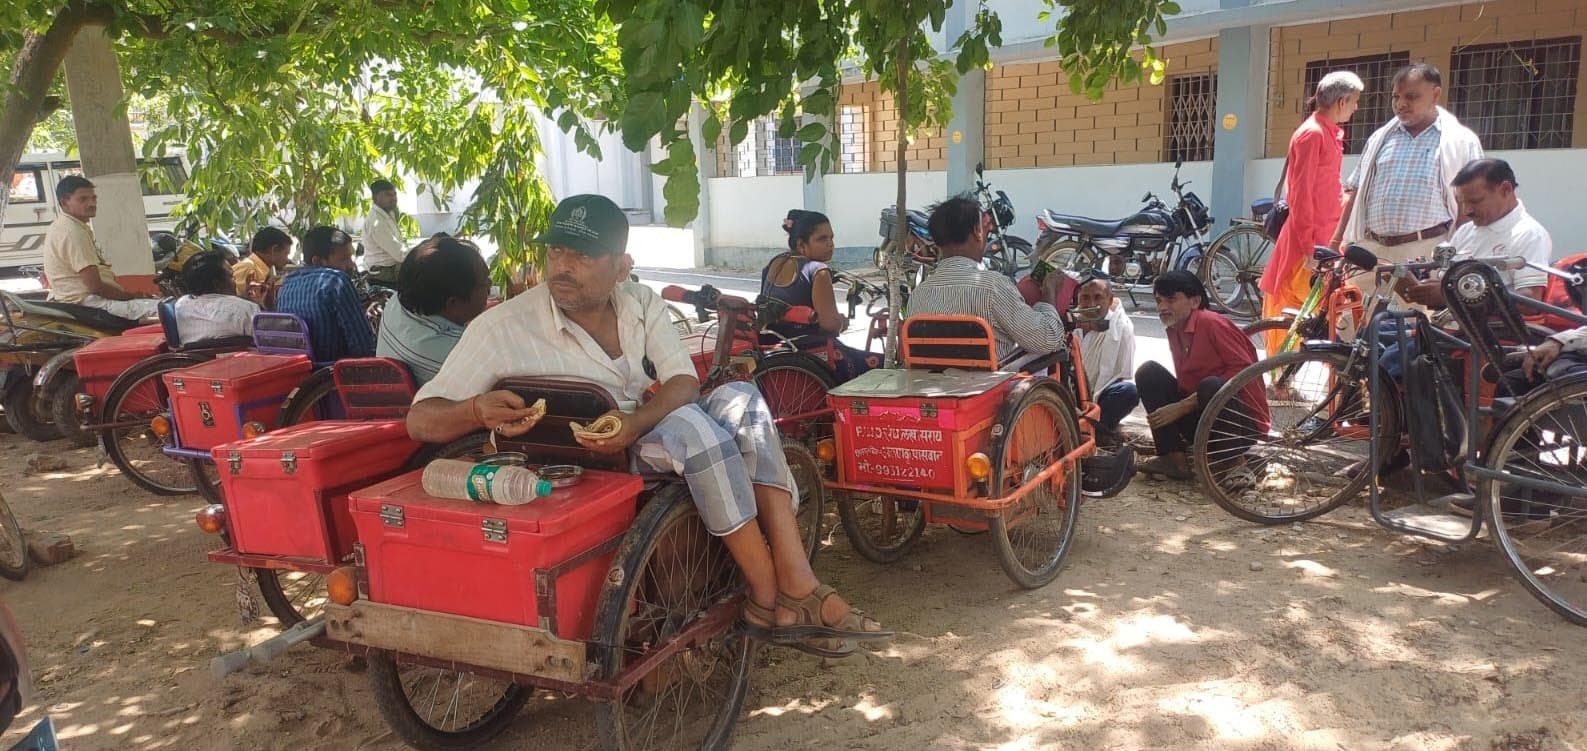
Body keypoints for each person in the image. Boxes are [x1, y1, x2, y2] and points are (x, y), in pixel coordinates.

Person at [406, 194, 889, 656]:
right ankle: (767, 596)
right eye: (555, 251)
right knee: (696, 432)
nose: (562, 267)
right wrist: (475, 410)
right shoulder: (502, 326)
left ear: (622, 266)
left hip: (636, 435)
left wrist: (637, 422)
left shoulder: (640, 302)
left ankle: (797, 581)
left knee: (743, 400)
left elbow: (682, 381)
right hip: (568, 466)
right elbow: (420, 419)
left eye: (581, 255)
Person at [1334, 63, 1484, 271]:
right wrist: (1336, 243)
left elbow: (1470, 204)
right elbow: (1356, 193)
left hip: (1426, 252)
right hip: (1371, 251)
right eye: (1396, 97)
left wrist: (1460, 253)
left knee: (1419, 296)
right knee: (1356, 294)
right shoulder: (1380, 139)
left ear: (1435, 95)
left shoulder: (1461, 142)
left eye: (1411, 97)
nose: (1400, 104)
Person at [1259, 70, 1363, 352]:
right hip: (1309, 246)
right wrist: (1309, 249)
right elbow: (1300, 195)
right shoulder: (1312, 134)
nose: (1356, 108)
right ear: (1341, 102)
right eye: (1354, 101)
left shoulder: (1327, 133)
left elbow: (1325, 188)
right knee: (1298, 316)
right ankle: (1282, 372)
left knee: (1327, 317)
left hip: (1326, 240)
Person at [1134, 271, 1269, 480]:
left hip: (1240, 422)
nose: (1162, 307)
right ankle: (1174, 459)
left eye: (1171, 299)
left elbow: (1243, 373)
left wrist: (1182, 406)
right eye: (1159, 301)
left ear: (1195, 301)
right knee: (1148, 373)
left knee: (1211, 385)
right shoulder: (1175, 328)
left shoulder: (1211, 323)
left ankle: (1236, 465)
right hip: (1203, 415)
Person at [908, 197, 1068, 360]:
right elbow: (1047, 340)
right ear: (977, 232)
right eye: (985, 229)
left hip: (935, 375)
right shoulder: (992, 287)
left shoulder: (918, 295)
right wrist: (1049, 294)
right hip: (992, 375)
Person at [1402, 158, 1550, 308]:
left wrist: (1452, 296)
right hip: (1451, 321)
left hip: (1492, 324)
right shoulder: (1465, 231)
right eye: (1461, 202)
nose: (1466, 210)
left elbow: (1531, 301)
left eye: (1475, 201)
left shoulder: (1529, 234)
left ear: (1506, 189)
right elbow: (1448, 283)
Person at [760, 210, 879, 383]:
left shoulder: (774, 263)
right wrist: (841, 322)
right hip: (807, 351)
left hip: (772, 348)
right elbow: (829, 326)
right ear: (801, 244)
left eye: (831, 238)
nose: (830, 244)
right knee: (880, 363)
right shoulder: (818, 270)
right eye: (822, 239)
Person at [40, 176, 160, 321]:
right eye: (83, 199)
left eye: (93, 198)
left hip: (84, 302)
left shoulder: (66, 226)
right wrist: (130, 296)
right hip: (89, 305)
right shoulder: (72, 232)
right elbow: (95, 287)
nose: (92, 203)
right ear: (65, 202)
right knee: (168, 309)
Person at [376, 236, 491, 385]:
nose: (490, 286)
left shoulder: (397, 303)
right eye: (485, 284)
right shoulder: (459, 354)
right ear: (453, 303)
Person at [276, 226, 375, 362]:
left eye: (351, 257)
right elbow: (363, 346)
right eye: (344, 259)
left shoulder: (287, 283)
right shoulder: (336, 280)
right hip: (334, 369)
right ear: (317, 261)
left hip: (300, 368)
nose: (351, 265)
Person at [1075, 278, 1138, 445]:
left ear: (1110, 300)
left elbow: (1120, 376)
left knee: (1128, 391)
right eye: (1085, 297)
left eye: (1098, 297)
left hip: (1098, 395)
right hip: (1069, 392)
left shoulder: (1121, 328)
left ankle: (1096, 431)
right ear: (1078, 299)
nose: (1091, 304)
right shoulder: (1070, 323)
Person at [173, 250, 261, 342]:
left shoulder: (181, 305)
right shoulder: (247, 311)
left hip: (191, 351)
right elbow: (267, 341)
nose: (235, 281)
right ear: (218, 284)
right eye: (231, 276)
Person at [233, 226, 294, 307]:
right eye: (286, 254)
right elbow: (234, 301)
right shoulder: (248, 267)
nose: (287, 260)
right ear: (274, 250)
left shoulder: (266, 271)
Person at [363, 179, 406, 285]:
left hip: (392, 265)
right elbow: (400, 255)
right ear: (375, 198)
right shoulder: (376, 222)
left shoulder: (388, 213)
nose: (393, 198)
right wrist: (425, 248)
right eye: (388, 195)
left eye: (394, 194)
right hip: (383, 271)